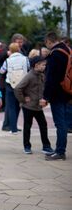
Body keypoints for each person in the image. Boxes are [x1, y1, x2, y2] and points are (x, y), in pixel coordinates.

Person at [14, 56, 53, 155]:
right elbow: (18, 88)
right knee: (27, 126)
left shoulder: (41, 75)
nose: (45, 66)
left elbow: (43, 89)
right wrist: (23, 100)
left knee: (43, 125)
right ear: (36, 65)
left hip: (38, 107)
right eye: (43, 65)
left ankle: (46, 146)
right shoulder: (29, 76)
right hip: (28, 107)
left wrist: (45, 100)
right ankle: (27, 146)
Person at [42, 31, 72, 161]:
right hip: (68, 91)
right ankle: (59, 149)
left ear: (49, 41)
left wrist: (46, 97)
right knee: (64, 121)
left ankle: (60, 151)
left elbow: (51, 78)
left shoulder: (55, 54)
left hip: (58, 94)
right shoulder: (68, 50)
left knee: (60, 123)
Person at [0, 43, 29, 134]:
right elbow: (28, 67)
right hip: (22, 85)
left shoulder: (8, 60)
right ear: (19, 49)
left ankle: (13, 128)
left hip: (10, 84)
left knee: (11, 107)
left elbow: (2, 70)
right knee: (19, 106)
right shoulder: (25, 59)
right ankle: (20, 126)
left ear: (10, 50)